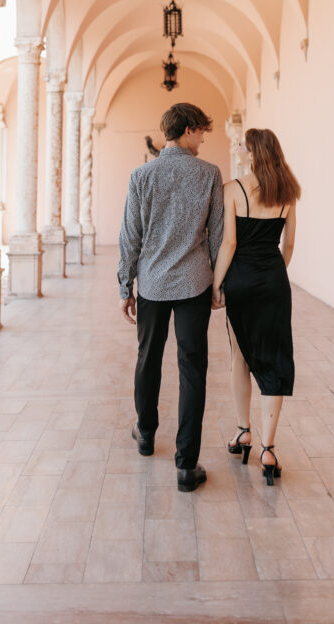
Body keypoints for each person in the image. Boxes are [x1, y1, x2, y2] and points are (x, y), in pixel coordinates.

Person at [118, 102, 224, 492]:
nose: (203, 139)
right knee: (192, 368)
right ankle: (186, 464)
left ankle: (145, 433)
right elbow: (217, 235)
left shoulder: (141, 175)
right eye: (202, 131)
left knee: (148, 357)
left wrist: (123, 286)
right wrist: (219, 284)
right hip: (195, 282)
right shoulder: (209, 174)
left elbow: (130, 235)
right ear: (190, 129)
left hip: (152, 283)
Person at [211, 128, 300, 485]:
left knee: (240, 357)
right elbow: (289, 245)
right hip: (273, 280)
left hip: (241, 281)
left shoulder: (232, 190)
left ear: (250, 153)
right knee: (275, 358)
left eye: (242, 146)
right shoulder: (288, 191)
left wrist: (217, 284)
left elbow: (229, 244)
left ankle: (243, 431)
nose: (239, 150)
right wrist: (274, 277)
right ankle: (268, 448)